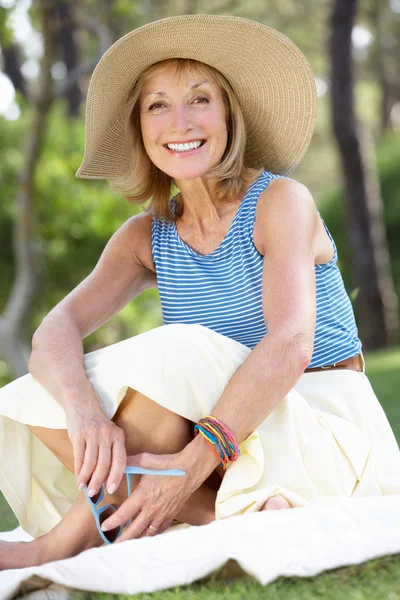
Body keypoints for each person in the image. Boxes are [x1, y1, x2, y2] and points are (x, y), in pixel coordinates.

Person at [1, 14, 400, 570]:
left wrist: (189, 463)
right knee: (38, 391)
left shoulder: (280, 202)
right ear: (141, 127)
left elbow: (290, 344)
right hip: (233, 437)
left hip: (322, 420)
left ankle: (69, 540)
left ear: (229, 116)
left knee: (181, 349)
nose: (179, 121)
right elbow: (54, 332)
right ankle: (224, 513)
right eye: (157, 105)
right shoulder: (146, 234)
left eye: (199, 99)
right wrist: (85, 415)